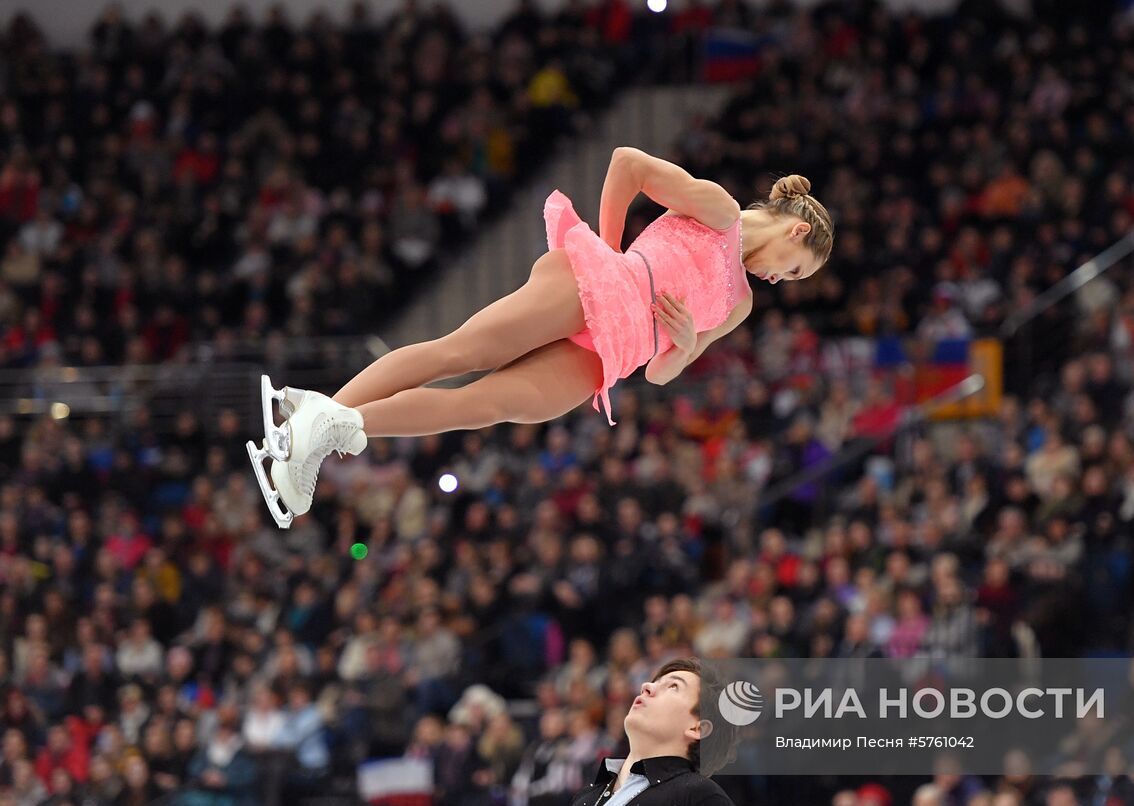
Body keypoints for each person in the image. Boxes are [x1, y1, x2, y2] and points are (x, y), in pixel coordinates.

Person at [247, 148, 833, 527]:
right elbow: (627, 164)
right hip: (595, 286)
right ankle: (310, 422)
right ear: (798, 229)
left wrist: (682, 342)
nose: (782, 279)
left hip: (613, 355)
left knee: (480, 407)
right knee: (460, 353)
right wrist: (606, 251)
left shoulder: (742, 301)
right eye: (796, 268)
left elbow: (661, 374)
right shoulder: (721, 213)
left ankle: (319, 428)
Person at [551, 657, 745, 806]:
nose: (647, 686)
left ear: (697, 727)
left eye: (673, 686)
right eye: (655, 681)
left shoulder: (702, 800)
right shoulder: (587, 796)